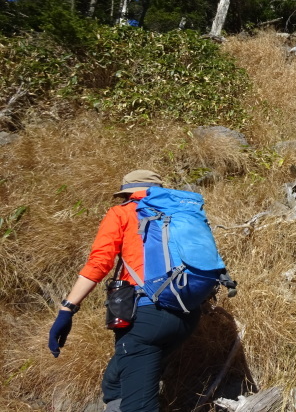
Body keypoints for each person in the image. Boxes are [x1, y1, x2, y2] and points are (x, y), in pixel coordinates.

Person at [48, 170, 201, 412]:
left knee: (138, 406)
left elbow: (99, 263)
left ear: (128, 193)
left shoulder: (122, 212)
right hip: (188, 312)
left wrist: (67, 309)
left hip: (145, 315)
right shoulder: (182, 212)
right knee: (116, 382)